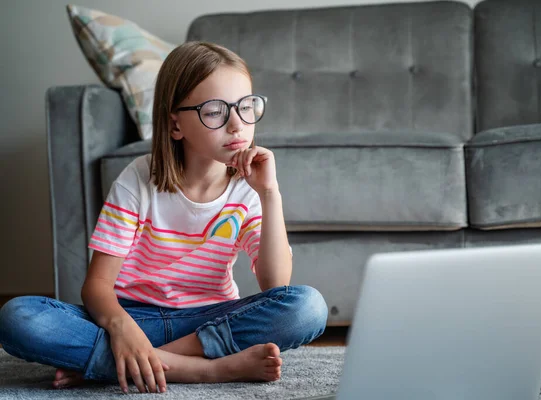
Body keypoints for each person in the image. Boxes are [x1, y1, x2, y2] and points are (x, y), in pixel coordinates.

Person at [0, 41, 328, 394]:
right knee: (19, 317)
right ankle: (207, 371)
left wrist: (269, 192)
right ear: (175, 125)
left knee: (307, 307)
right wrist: (124, 332)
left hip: (211, 321)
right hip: (133, 317)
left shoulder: (248, 188)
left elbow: (276, 287)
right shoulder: (137, 180)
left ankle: (121, 365)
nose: (237, 124)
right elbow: (96, 288)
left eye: (246, 107)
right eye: (215, 111)